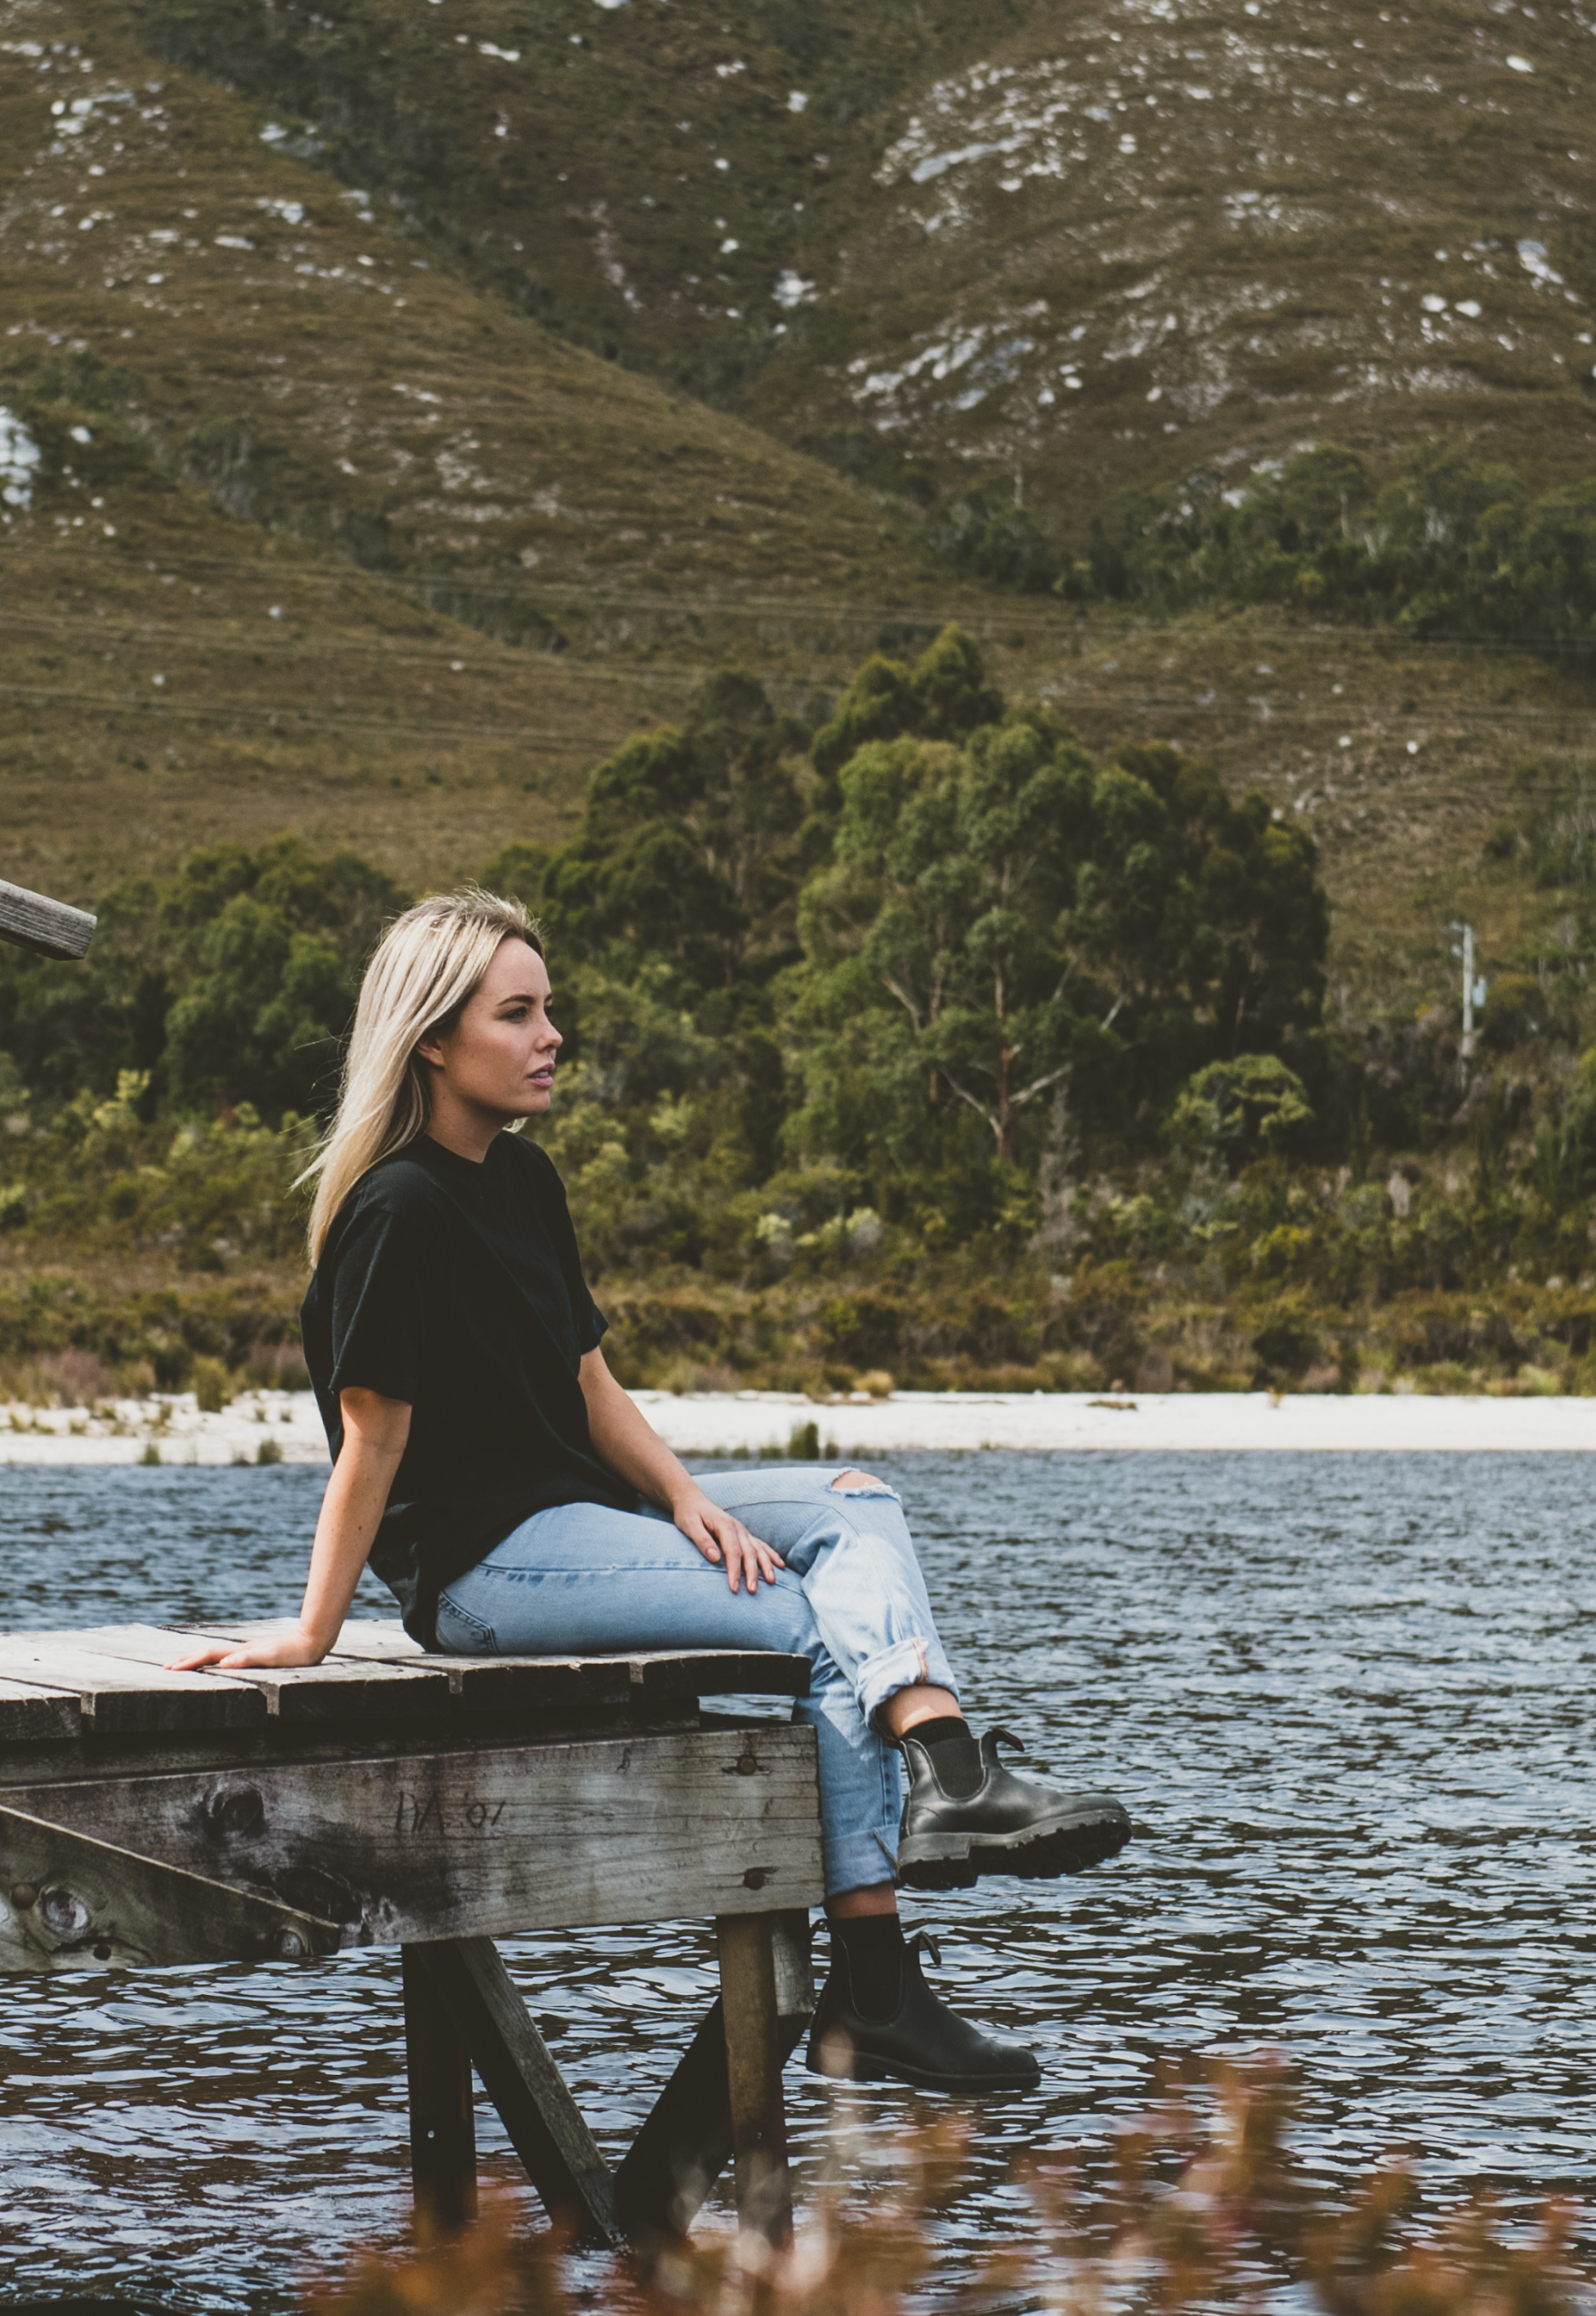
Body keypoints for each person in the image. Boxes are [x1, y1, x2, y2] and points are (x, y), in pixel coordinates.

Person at [166, 887, 1130, 2094]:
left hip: (588, 1521)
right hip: (488, 1570)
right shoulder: (393, 1214)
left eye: (547, 1009)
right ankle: (876, 1979)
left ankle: (951, 1769)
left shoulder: (523, 1183)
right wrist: (310, 1632)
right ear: (430, 1038)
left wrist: (683, 1496)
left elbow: (586, 1380)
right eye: (517, 1014)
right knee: (808, 1620)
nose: (549, 1036)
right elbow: (370, 1442)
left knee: (857, 1502)